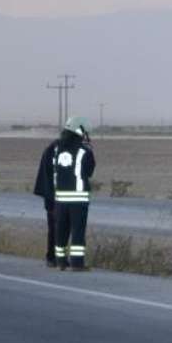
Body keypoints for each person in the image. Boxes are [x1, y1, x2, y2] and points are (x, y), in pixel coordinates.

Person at [52, 116, 96, 271]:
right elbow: (89, 171)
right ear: (79, 130)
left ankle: (60, 261)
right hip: (78, 199)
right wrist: (89, 148)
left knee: (61, 230)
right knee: (77, 231)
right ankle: (77, 263)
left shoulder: (57, 149)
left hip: (60, 198)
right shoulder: (84, 151)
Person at [32, 135, 61, 267]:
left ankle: (52, 257)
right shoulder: (61, 150)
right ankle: (55, 257)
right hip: (58, 196)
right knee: (60, 228)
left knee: (54, 227)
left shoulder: (50, 149)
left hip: (50, 195)